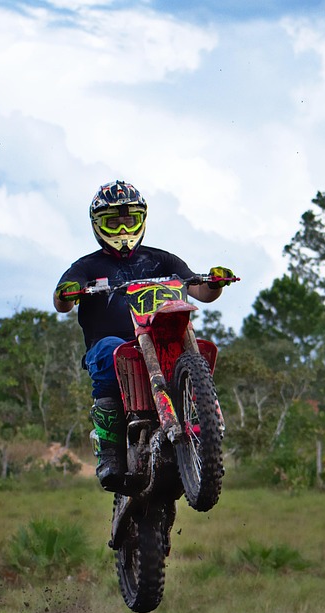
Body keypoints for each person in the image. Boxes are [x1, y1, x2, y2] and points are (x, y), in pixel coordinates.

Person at [54, 179, 232, 491]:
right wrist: (68, 293)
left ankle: (201, 424)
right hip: (112, 346)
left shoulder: (162, 259)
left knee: (192, 347)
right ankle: (109, 452)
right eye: (114, 221)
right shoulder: (87, 266)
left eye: (129, 220)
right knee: (110, 350)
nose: (123, 229)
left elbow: (199, 290)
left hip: (160, 339)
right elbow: (62, 303)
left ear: (141, 220)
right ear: (99, 225)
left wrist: (214, 282)